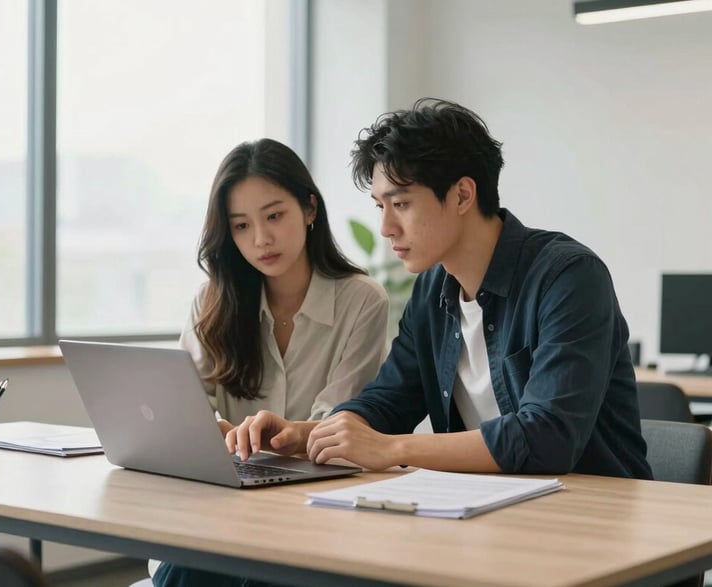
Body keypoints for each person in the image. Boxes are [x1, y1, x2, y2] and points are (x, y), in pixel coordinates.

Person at [229, 98, 652, 481]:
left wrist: (394, 449)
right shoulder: (433, 290)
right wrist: (305, 435)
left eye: (401, 204)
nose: (386, 227)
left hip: (593, 516)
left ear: (463, 195)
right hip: (485, 510)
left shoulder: (569, 278)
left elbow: (547, 438)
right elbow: (389, 400)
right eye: (380, 206)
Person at [152, 138, 389, 587]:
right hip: (227, 505)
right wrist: (212, 433)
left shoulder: (362, 301)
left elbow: (339, 426)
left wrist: (283, 437)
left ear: (310, 209)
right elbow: (184, 407)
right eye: (241, 226)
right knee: (192, 564)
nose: (260, 239)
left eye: (274, 216)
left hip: (317, 506)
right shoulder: (212, 302)